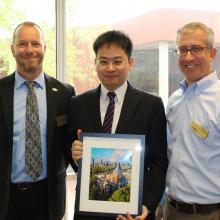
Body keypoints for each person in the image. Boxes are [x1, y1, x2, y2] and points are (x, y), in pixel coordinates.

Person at [70, 30, 168, 220]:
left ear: (130, 63)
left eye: (117, 61)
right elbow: (70, 150)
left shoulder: (151, 105)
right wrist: (75, 154)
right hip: (89, 211)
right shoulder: (77, 104)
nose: (110, 68)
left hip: (134, 212)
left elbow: (159, 162)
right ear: (95, 63)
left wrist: (146, 204)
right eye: (103, 61)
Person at [0, 21, 75, 220]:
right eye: (22, 44)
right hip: (6, 199)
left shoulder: (65, 93)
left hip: (49, 198)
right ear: (12, 49)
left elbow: (70, 144)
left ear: (44, 48)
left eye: (35, 43)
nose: (29, 50)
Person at [163, 22, 220, 220]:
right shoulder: (174, 100)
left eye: (196, 49)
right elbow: (170, 154)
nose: (188, 57)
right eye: (183, 50)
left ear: (212, 53)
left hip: (210, 213)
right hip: (171, 209)